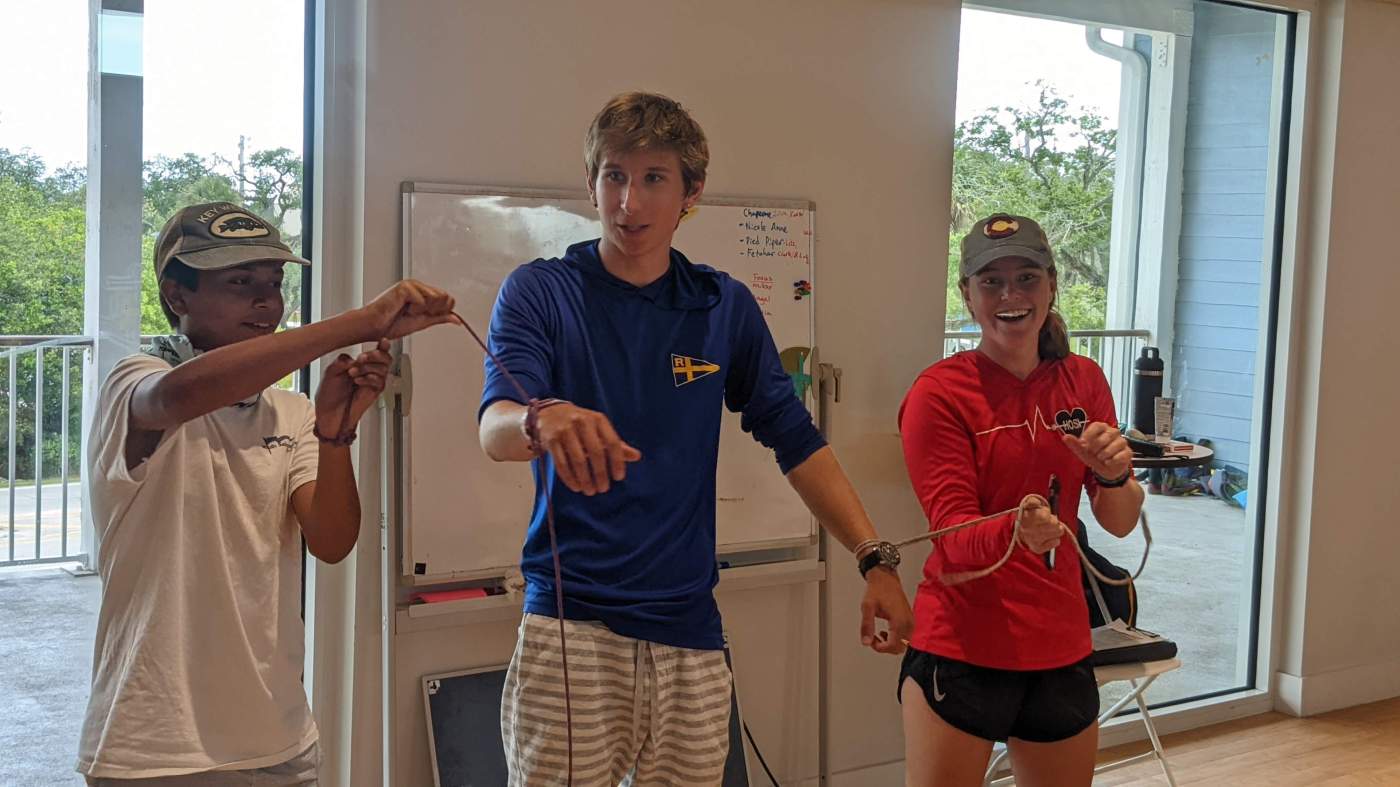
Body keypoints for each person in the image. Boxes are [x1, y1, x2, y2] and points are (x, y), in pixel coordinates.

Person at [478, 91, 913, 786]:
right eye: (615, 175)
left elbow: (796, 439)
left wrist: (873, 557)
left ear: (691, 193)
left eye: (654, 178)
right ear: (590, 183)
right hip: (573, 628)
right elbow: (495, 427)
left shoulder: (722, 305)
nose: (630, 201)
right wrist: (540, 416)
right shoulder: (541, 292)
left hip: (690, 631)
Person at [77, 202, 457, 784]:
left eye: (274, 284)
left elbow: (331, 542)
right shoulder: (132, 383)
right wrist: (363, 321)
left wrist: (336, 435)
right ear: (178, 297)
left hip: (279, 742)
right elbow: (178, 398)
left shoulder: (293, 410)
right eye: (239, 283)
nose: (266, 302)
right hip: (156, 748)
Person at [896, 214, 1145, 786]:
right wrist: (1018, 531)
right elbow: (951, 534)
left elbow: (1121, 522)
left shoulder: (1083, 380)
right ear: (968, 294)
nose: (1011, 296)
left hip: (1060, 643)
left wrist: (1114, 476)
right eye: (991, 282)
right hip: (962, 645)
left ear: (1051, 285)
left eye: (1027, 278)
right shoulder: (940, 393)